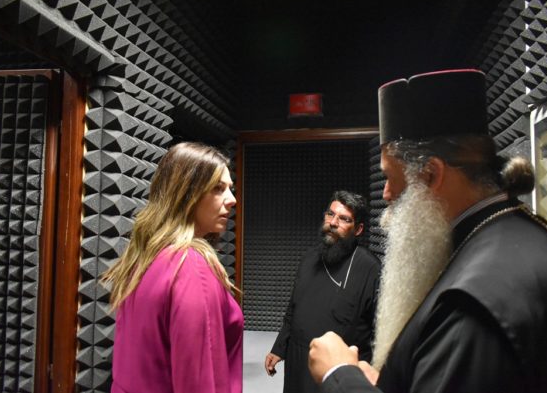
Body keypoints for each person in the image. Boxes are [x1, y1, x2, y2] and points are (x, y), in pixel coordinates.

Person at [308, 69, 547, 393]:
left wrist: (339, 375)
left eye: (390, 176)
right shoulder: (513, 232)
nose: (386, 193)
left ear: (431, 174)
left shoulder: (471, 305)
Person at [103, 142, 243, 393]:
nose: (232, 200)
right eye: (218, 188)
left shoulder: (144, 257)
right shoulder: (190, 267)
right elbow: (199, 381)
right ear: (186, 193)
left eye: (229, 189)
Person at [266, 191, 381, 393]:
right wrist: (279, 347)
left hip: (338, 371)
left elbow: (377, 332)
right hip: (297, 361)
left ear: (358, 229)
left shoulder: (370, 268)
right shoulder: (309, 258)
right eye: (330, 214)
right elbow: (293, 307)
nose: (333, 222)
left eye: (344, 219)